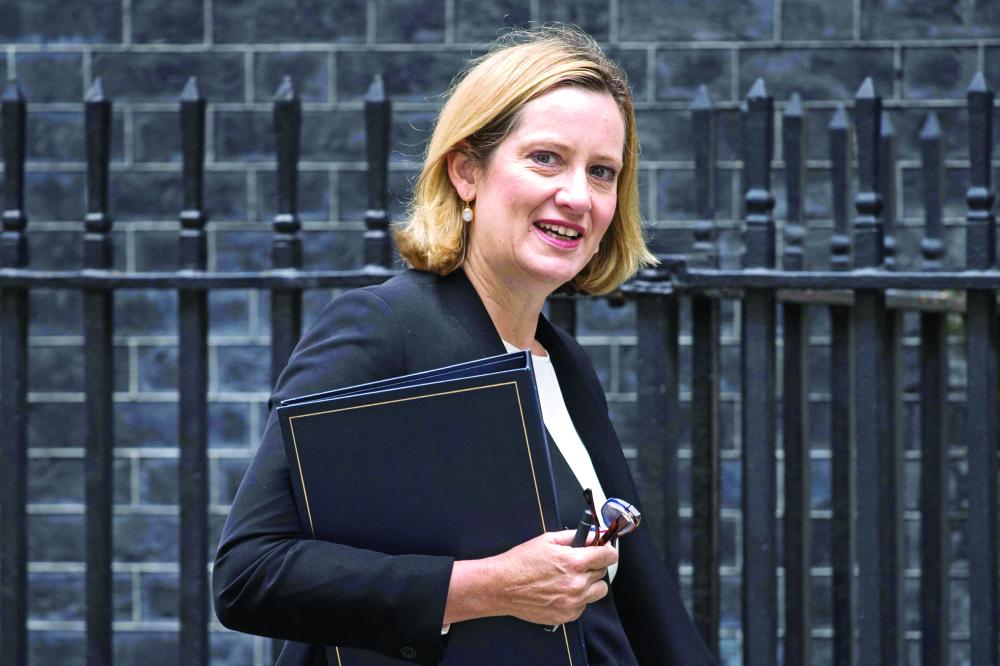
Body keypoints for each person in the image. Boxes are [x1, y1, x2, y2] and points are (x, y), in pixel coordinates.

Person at [213, 25, 714, 666]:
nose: (576, 196)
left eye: (601, 172)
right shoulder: (384, 329)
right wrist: (486, 587)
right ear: (466, 171)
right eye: (545, 158)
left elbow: (638, 606)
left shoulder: (564, 363)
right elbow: (250, 574)